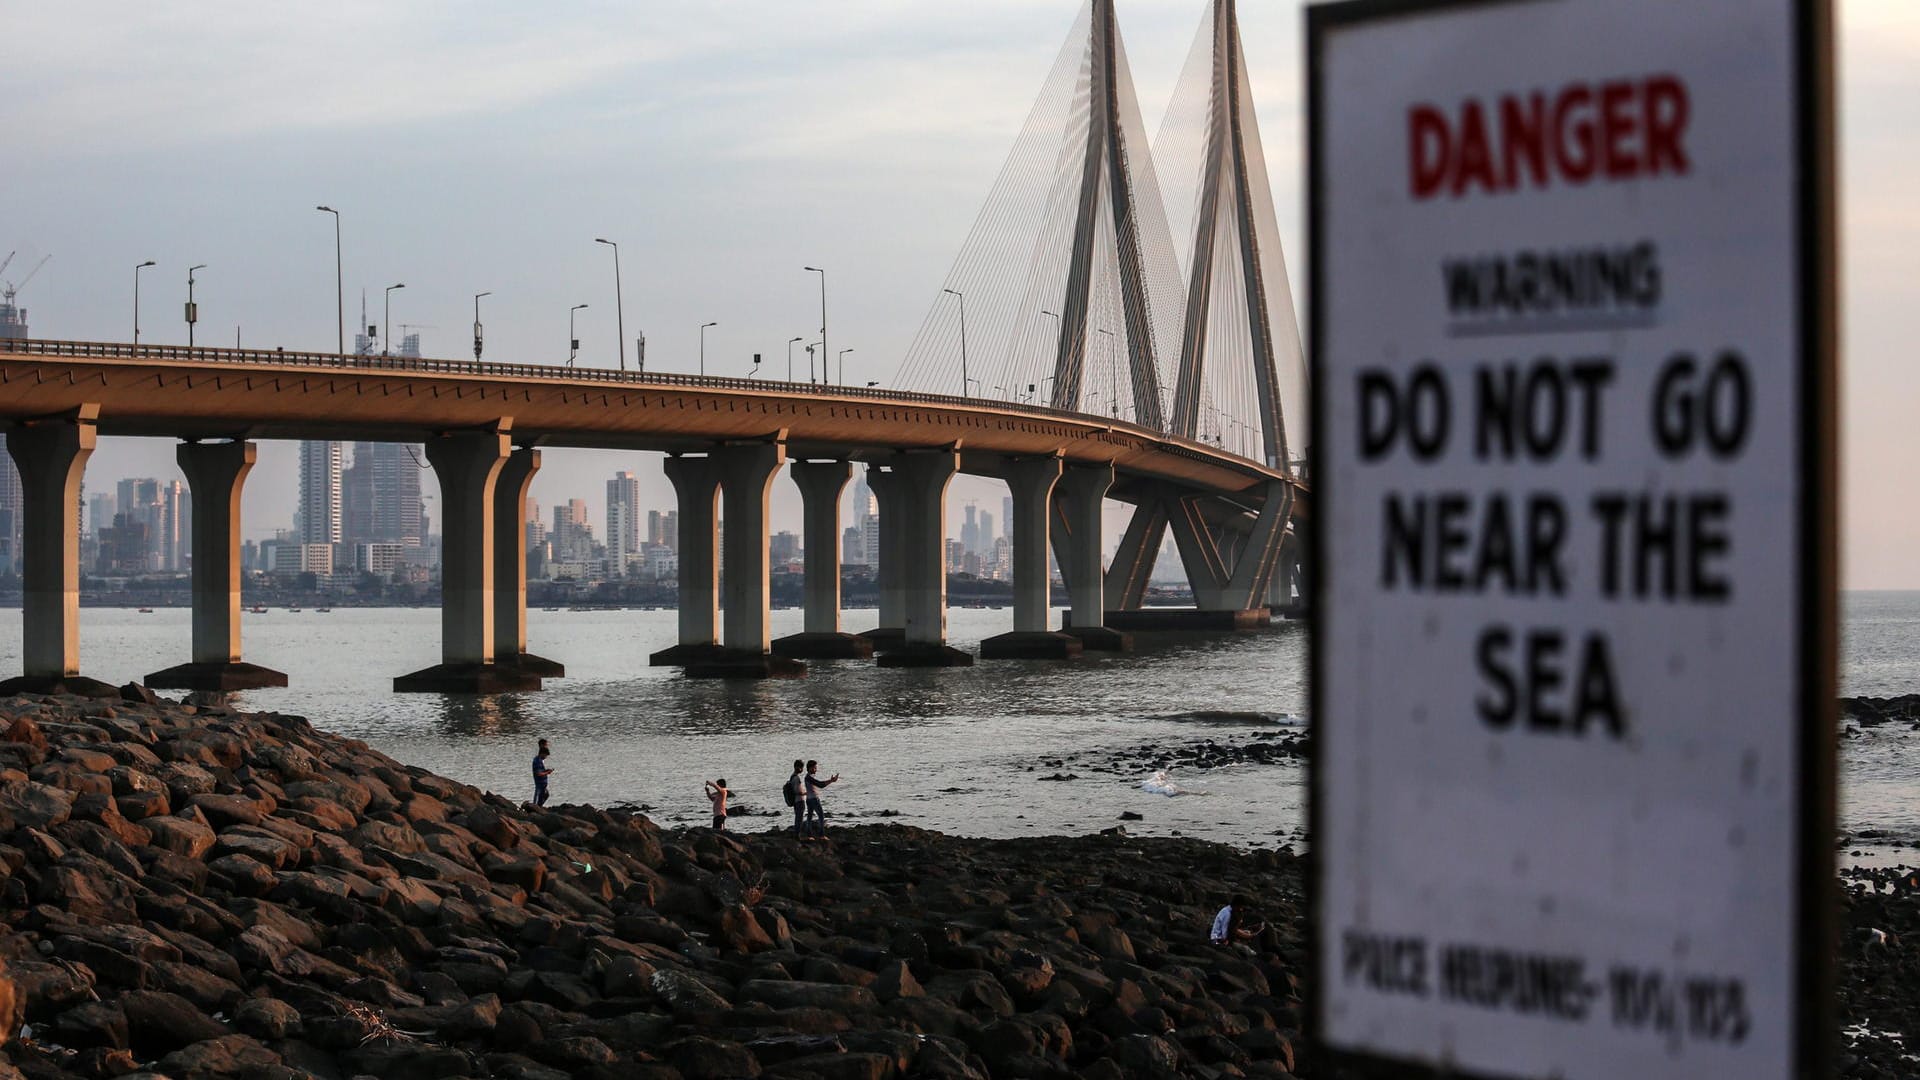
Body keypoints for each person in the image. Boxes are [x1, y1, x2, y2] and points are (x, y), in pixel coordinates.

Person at [803, 759, 839, 839]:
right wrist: (831, 781)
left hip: (809, 799)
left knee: (809, 817)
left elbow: (819, 783)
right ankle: (821, 835)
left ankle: (809, 835)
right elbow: (820, 785)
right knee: (821, 816)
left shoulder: (808, 777)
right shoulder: (809, 777)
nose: (816, 769)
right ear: (810, 768)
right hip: (813, 799)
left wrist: (831, 780)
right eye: (815, 768)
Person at [788, 759, 807, 839]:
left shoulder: (792, 776)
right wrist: (806, 793)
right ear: (797, 767)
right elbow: (797, 791)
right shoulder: (796, 778)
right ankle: (797, 835)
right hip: (799, 800)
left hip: (796, 801)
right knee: (799, 818)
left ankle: (796, 834)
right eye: (801, 767)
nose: (802, 769)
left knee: (798, 817)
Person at [532, 739, 554, 807]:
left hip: (543, 784)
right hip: (539, 783)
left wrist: (546, 770)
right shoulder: (537, 761)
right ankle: (535, 808)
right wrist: (547, 772)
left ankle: (538, 807)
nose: (546, 757)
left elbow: (540, 771)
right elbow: (538, 773)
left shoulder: (540, 760)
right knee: (537, 796)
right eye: (546, 756)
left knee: (545, 795)